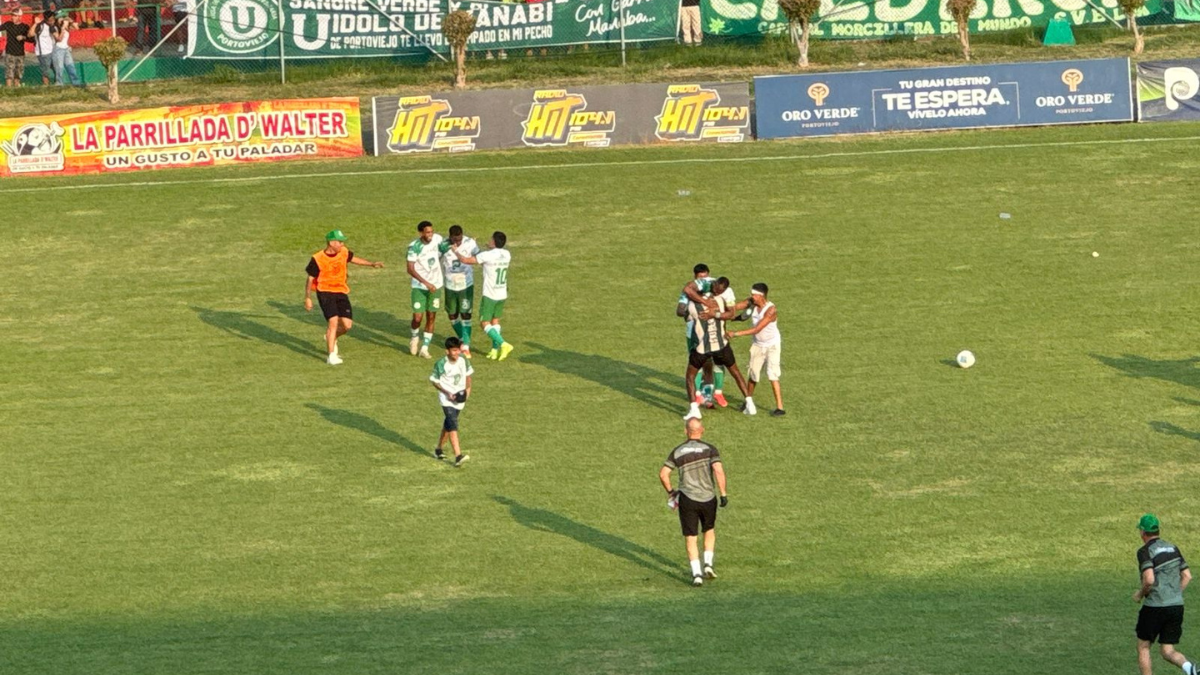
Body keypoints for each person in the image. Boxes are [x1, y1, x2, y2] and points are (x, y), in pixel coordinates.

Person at [659, 417, 727, 587]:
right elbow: (718, 470)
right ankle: (708, 564)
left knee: (691, 537)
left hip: (688, 499)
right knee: (709, 530)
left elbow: (663, 474)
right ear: (701, 430)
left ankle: (696, 574)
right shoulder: (709, 449)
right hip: (708, 498)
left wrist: (671, 492)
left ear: (685, 431)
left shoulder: (677, 451)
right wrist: (723, 493)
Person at [303, 229, 384, 365]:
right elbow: (310, 278)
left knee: (347, 326)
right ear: (331, 242)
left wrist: (371, 264)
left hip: (341, 291)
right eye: (340, 242)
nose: (342, 244)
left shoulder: (344, 252)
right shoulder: (318, 258)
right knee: (333, 321)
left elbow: (353, 259)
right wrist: (308, 297)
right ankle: (331, 356)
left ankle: (330, 337)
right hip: (325, 292)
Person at [683, 277, 756, 420]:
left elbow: (683, 313)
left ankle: (694, 409)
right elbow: (731, 314)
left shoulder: (692, 305)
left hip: (702, 349)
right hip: (722, 346)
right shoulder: (721, 302)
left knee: (690, 376)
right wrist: (715, 314)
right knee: (735, 372)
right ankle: (750, 403)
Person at [1134, 514, 1198, 675]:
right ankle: (1190, 669)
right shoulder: (1173, 548)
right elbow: (1187, 576)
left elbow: (1149, 579)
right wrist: (1174, 594)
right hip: (1176, 606)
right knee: (1167, 651)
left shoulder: (1145, 551)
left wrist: (1140, 594)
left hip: (1155, 607)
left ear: (1143, 532)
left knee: (1143, 647)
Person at [454, 231, 512, 361]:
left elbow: (465, 260)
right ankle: (494, 349)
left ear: (494, 241)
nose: (489, 240)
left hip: (490, 294)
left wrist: (456, 251)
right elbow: (485, 256)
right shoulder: (507, 254)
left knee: (484, 323)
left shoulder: (487, 255)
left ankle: (503, 344)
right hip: (502, 293)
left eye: (491, 239)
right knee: (495, 321)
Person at [728, 283, 784, 416]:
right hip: (758, 344)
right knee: (753, 374)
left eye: (754, 295)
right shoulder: (752, 303)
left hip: (772, 345)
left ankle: (780, 407)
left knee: (773, 374)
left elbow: (757, 329)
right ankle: (748, 401)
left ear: (762, 295)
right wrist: (724, 312)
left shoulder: (771, 310)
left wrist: (735, 334)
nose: (752, 297)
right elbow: (737, 308)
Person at [430, 336, 473, 466]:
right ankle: (458, 456)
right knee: (453, 423)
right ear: (447, 351)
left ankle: (438, 449)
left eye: (457, 350)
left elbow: (468, 376)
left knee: (448, 425)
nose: (456, 353)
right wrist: (447, 393)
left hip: (460, 398)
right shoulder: (441, 364)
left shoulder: (463, 360)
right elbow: (434, 381)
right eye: (453, 350)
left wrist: (467, 393)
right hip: (446, 399)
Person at [439, 224, 479, 358]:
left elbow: (478, 258)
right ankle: (462, 338)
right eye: (455, 239)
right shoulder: (443, 245)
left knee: (466, 314)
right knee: (452, 315)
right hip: (450, 285)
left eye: (460, 238)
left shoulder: (470, 243)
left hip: (466, 285)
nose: (458, 242)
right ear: (450, 237)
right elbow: (434, 258)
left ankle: (466, 346)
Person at [405, 220, 444, 359]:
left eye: (431, 231)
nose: (430, 235)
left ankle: (425, 348)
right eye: (427, 232)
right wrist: (426, 283)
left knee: (431, 315)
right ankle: (414, 337)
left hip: (436, 285)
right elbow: (410, 268)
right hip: (419, 287)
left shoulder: (437, 239)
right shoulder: (414, 247)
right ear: (421, 232)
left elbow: (446, 247)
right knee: (417, 317)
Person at [50, 10, 80, 87]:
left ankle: (76, 83)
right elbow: (59, 39)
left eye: (63, 17)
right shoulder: (54, 27)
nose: (62, 19)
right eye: (61, 17)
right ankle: (59, 84)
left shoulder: (65, 25)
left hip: (66, 49)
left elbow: (77, 28)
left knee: (71, 66)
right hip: (58, 49)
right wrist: (63, 27)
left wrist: (71, 21)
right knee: (59, 67)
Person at [1, 6, 27, 88]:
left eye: (15, 16)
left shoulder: (24, 26)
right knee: (9, 72)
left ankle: (16, 89)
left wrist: (23, 37)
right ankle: (9, 89)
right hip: (10, 52)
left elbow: (31, 38)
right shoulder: (8, 24)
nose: (13, 17)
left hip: (20, 53)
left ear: (20, 17)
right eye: (12, 15)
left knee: (18, 72)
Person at [29, 11, 53, 85]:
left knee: (56, 67)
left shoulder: (52, 25)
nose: (52, 20)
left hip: (52, 51)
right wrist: (36, 23)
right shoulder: (40, 26)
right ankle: (46, 85)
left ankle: (57, 83)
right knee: (45, 71)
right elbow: (30, 34)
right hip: (43, 52)